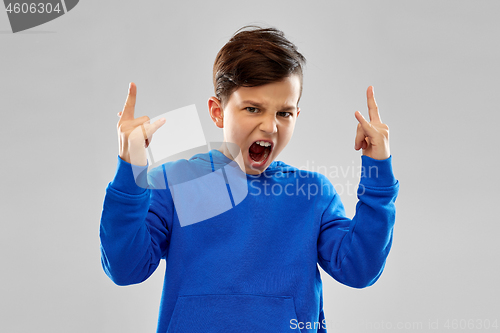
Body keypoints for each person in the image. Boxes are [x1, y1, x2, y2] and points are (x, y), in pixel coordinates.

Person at [100, 25, 399, 333]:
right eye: (253, 108)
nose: (270, 126)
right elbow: (125, 268)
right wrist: (130, 168)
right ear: (218, 112)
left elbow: (359, 268)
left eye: (284, 113)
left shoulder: (312, 194)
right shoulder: (175, 183)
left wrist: (378, 171)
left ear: (297, 115)